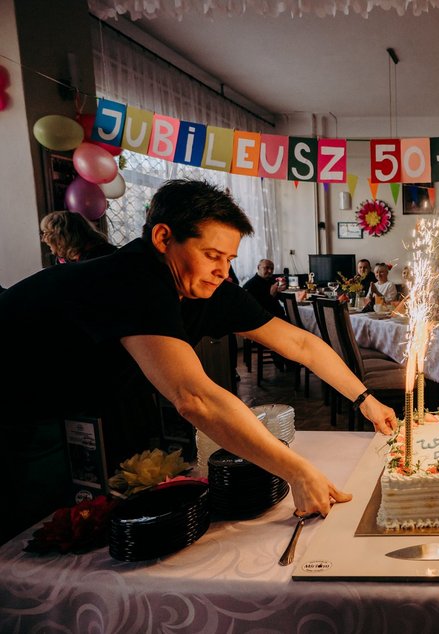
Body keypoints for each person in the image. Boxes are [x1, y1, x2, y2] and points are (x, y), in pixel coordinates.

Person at [0, 179, 397, 543]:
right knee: (24, 544)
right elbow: (195, 398)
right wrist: (296, 469)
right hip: (17, 411)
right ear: (163, 238)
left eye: (229, 258)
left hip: (76, 411)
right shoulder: (134, 278)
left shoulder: (208, 285)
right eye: (211, 255)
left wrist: (366, 400)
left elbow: (301, 344)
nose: (222, 271)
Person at [40, 210, 117, 264]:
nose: (44, 239)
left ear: (64, 236)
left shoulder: (99, 258)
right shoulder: (68, 259)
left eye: (47, 233)